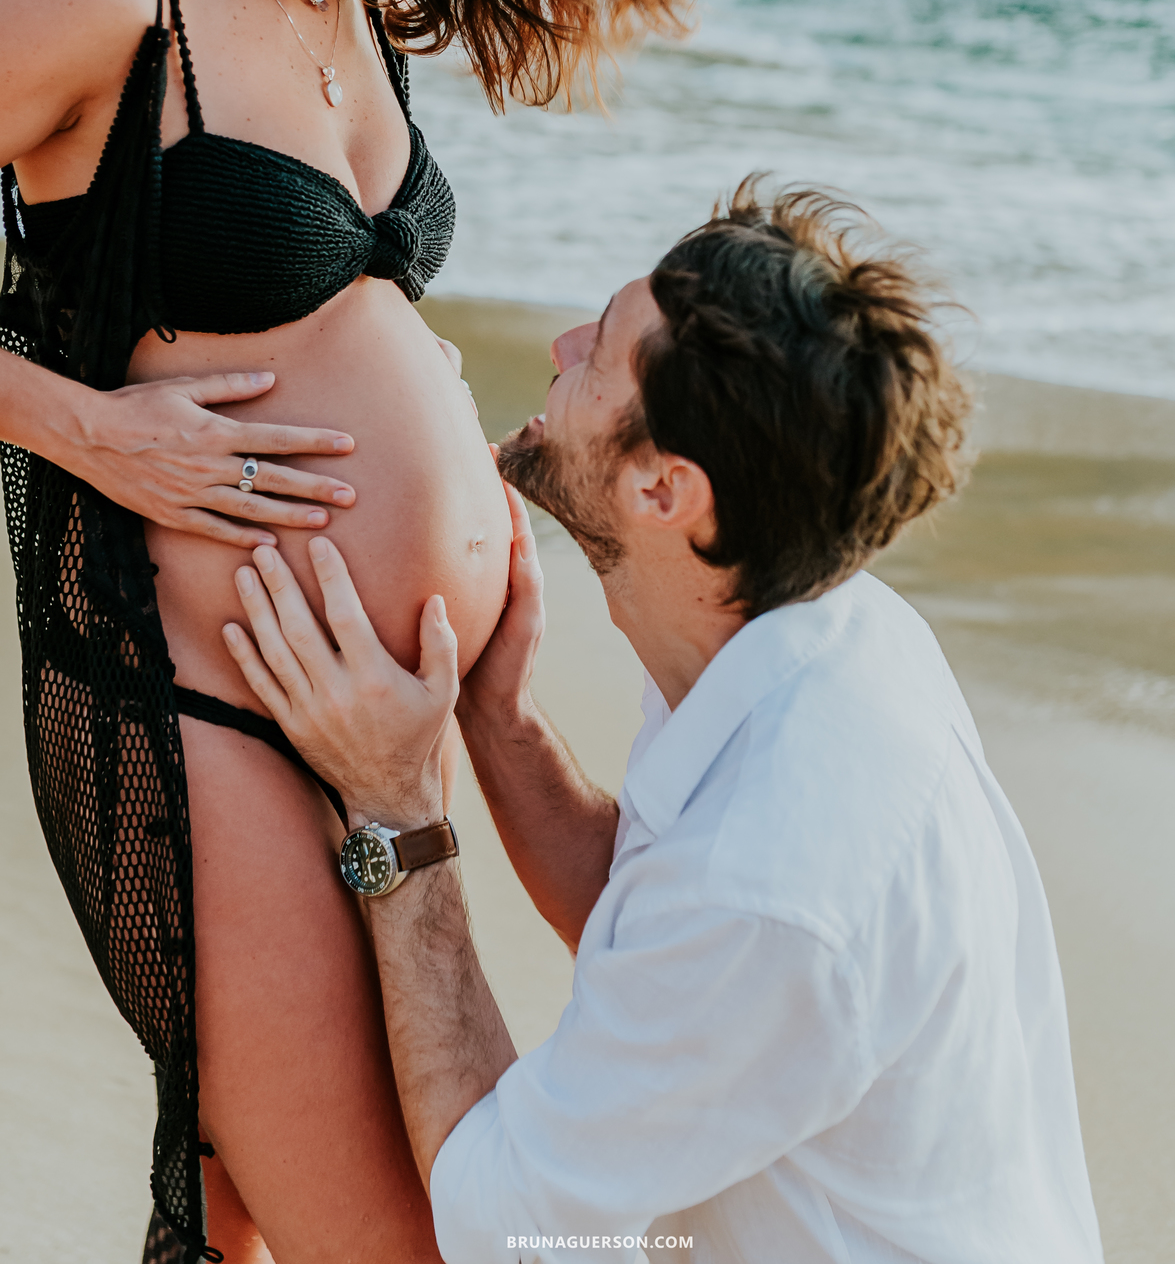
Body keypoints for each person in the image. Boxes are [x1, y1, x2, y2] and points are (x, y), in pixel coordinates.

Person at [0, 0, 718, 1263]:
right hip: (209, 708)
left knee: (267, 1214)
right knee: (396, 1244)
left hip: (372, 716)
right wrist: (88, 429)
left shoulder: (355, 9)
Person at [224, 184, 1104, 1264]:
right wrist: (500, 722)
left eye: (599, 351)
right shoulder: (823, 632)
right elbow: (650, 918)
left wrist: (397, 812)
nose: (561, 344)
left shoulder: (773, 880)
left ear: (664, 491)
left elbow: (502, 1225)